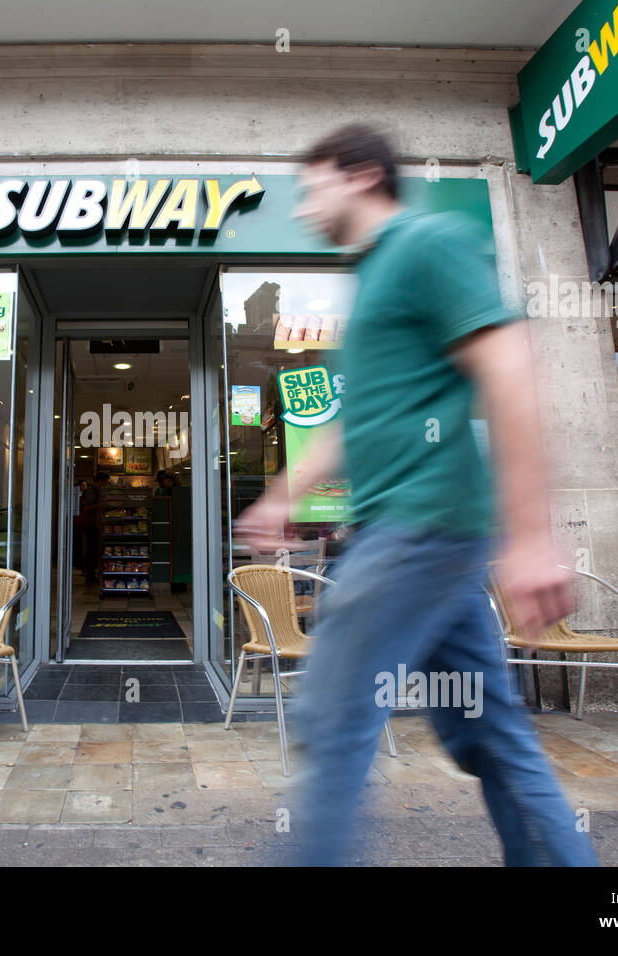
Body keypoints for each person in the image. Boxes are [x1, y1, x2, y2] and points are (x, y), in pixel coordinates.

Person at [235, 123, 596, 866]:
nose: (303, 211)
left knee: (332, 721)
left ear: (362, 174)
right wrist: (282, 493)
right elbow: (352, 420)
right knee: (489, 739)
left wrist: (532, 536)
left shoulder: (427, 244)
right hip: (431, 543)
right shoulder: (373, 278)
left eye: (312, 190)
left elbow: (510, 370)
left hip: (417, 532)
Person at [78, 471, 110, 584]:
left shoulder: (95, 491)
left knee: (93, 550)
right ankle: (90, 576)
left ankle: (91, 576)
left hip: (93, 524)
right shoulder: (91, 491)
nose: (105, 484)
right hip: (89, 524)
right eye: (105, 482)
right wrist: (99, 505)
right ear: (100, 481)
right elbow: (86, 508)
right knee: (92, 550)